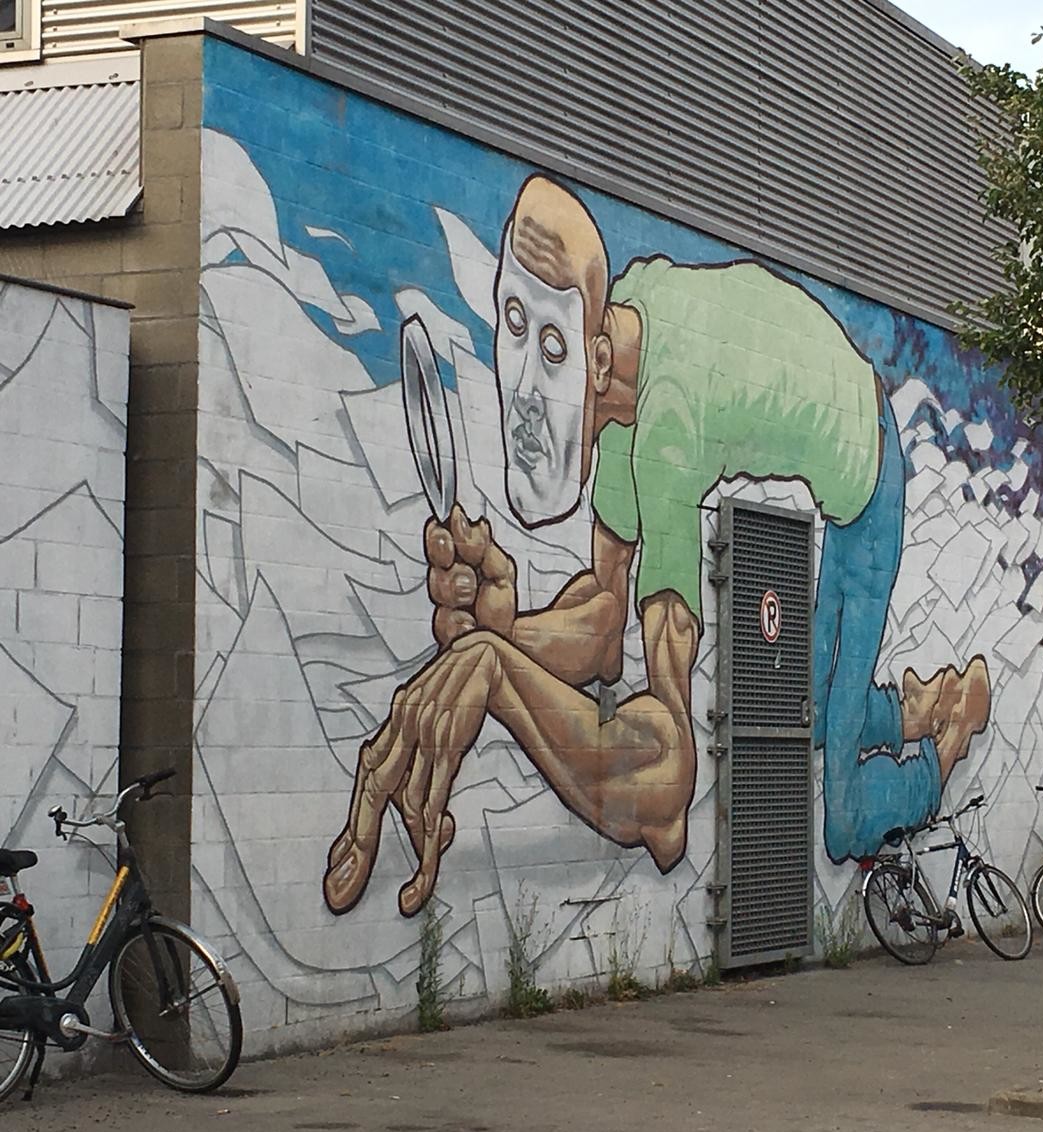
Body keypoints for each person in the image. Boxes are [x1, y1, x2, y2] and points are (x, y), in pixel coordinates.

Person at [323, 176, 990, 918]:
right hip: (827, 461)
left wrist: (498, 674)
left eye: (552, 344)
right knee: (805, 705)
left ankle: (944, 741)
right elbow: (605, 624)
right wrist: (502, 632)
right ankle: (902, 708)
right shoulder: (627, 353)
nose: (528, 391)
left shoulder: (668, 429)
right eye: (514, 324)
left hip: (871, 483)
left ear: (597, 355)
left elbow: (667, 780)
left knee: (837, 820)